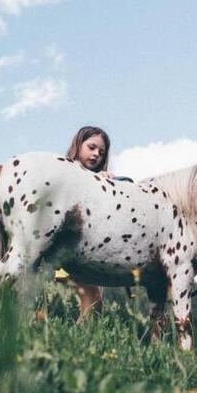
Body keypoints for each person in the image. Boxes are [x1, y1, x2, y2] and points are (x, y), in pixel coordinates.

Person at [60, 126, 112, 316]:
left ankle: (82, 337)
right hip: (59, 247)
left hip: (81, 250)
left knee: (94, 299)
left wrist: (105, 184)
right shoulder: (64, 170)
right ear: (78, 144)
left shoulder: (99, 178)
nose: (96, 154)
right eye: (91, 147)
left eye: (101, 152)